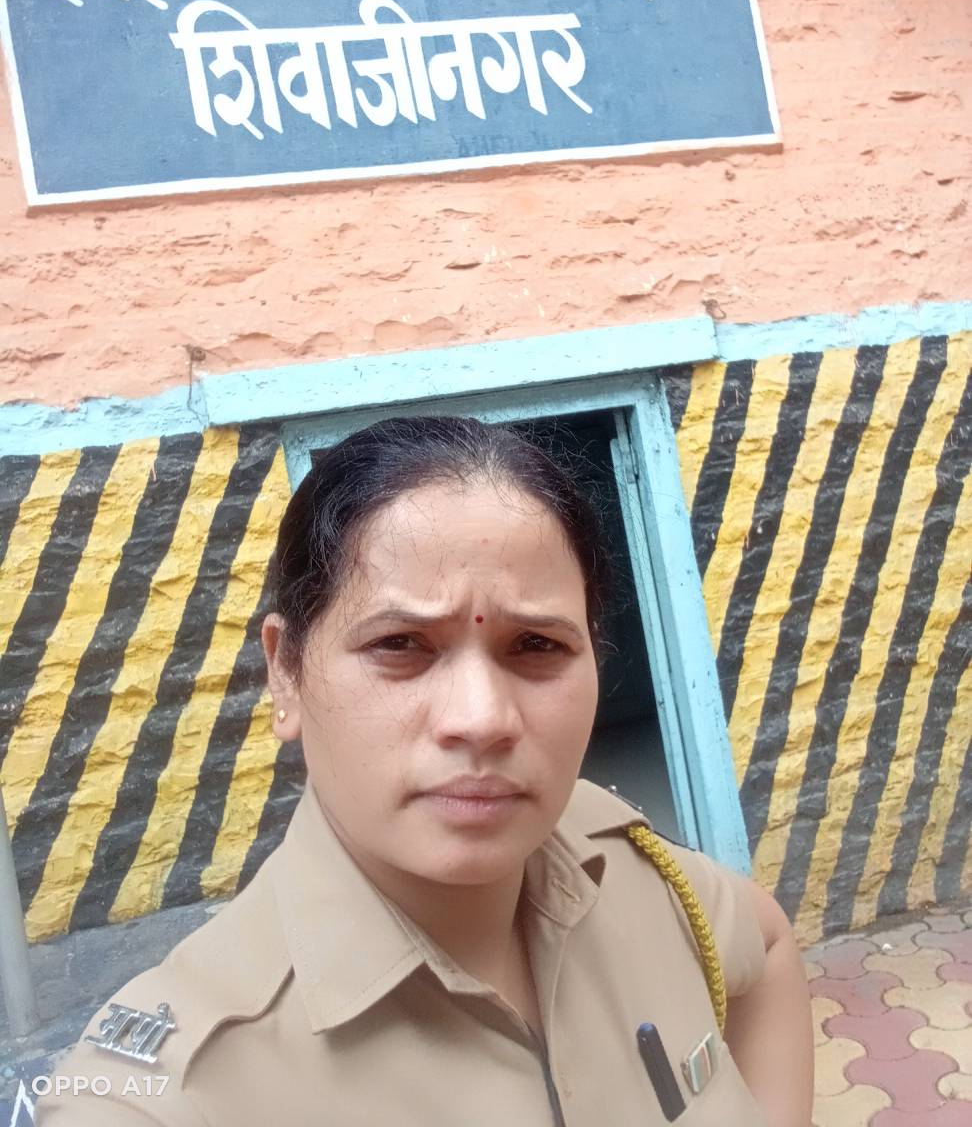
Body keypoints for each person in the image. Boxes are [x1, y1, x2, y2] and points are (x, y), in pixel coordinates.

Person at [35, 414, 814, 1126]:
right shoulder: (170, 1094)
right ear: (286, 673)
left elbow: (770, 945)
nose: (481, 718)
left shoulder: (618, 860)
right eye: (400, 645)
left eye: (537, 645)